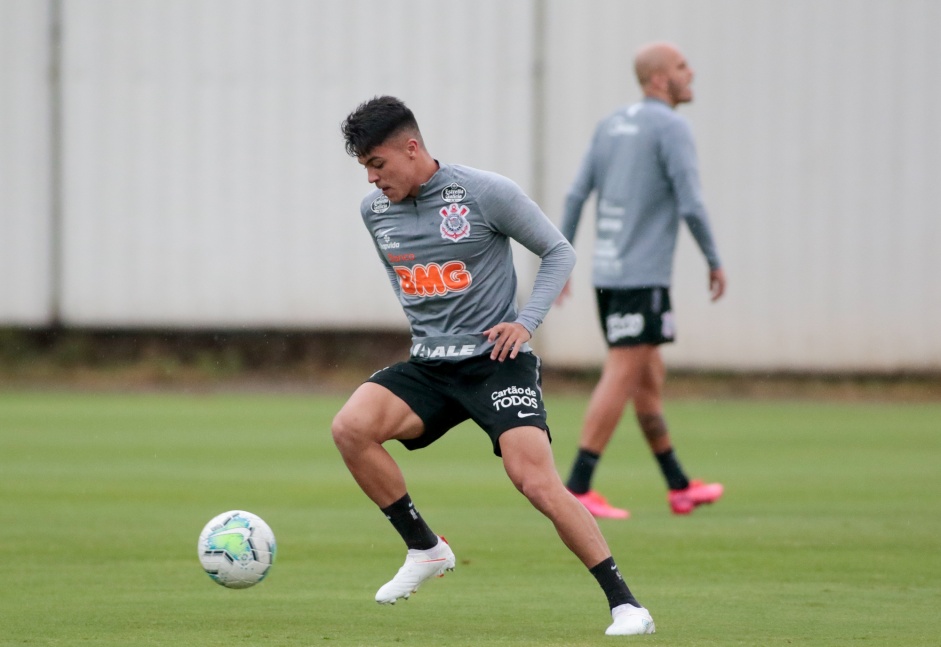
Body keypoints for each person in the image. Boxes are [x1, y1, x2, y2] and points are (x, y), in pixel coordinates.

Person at [333, 95, 655, 636]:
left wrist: (525, 323)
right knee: (350, 428)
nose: (371, 178)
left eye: (377, 164)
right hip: (432, 365)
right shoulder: (375, 212)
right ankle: (426, 549)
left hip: (497, 361)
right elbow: (410, 284)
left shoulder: (484, 192)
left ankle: (627, 606)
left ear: (412, 149)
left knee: (534, 481)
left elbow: (559, 252)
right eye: (364, 167)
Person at [557, 42, 727, 519]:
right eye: (681, 66)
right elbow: (691, 202)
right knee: (623, 373)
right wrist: (713, 259)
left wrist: (563, 257)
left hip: (607, 274)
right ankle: (578, 486)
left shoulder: (609, 124)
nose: (690, 72)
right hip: (641, 277)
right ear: (658, 79)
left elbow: (575, 196)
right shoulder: (672, 126)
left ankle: (678, 485)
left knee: (648, 379)